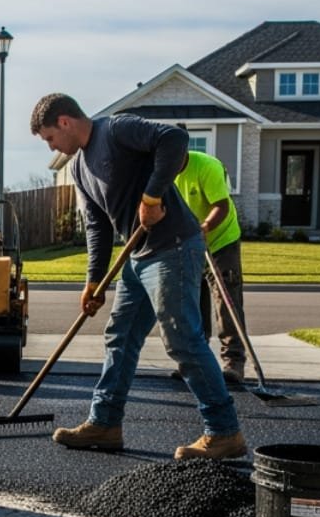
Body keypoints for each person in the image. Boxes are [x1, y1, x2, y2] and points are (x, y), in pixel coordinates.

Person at [30, 94, 245, 460]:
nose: (51, 146)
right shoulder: (81, 167)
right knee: (121, 335)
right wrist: (93, 281)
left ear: (64, 122)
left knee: (182, 340)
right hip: (138, 256)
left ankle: (224, 432)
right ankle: (105, 423)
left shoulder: (116, 128)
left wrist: (151, 197)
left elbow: (173, 140)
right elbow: (97, 227)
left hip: (174, 245)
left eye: (49, 138)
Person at [174, 150, 247, 384]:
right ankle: (197, 362)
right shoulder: (161, 170)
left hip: (221, 241)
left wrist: (204, 227)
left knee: (226, 301)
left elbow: (221, 205)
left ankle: (234, 363)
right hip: (188, 244)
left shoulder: (207, 166)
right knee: (193, 303)